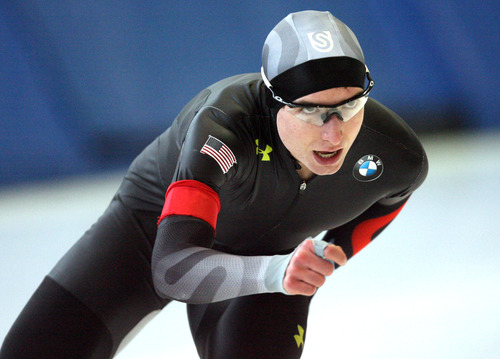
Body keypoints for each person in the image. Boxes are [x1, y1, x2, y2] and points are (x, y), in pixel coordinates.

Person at [1, 10, 428, 359]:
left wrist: (330, 255)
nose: (334, 134)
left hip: (273, 266)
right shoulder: (223, 131)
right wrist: (278, 271)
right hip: (153, 234)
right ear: (272, 98)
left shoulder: (393, 152)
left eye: (351, 105)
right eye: (312, 111)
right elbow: (172, 269)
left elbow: (395, 194)